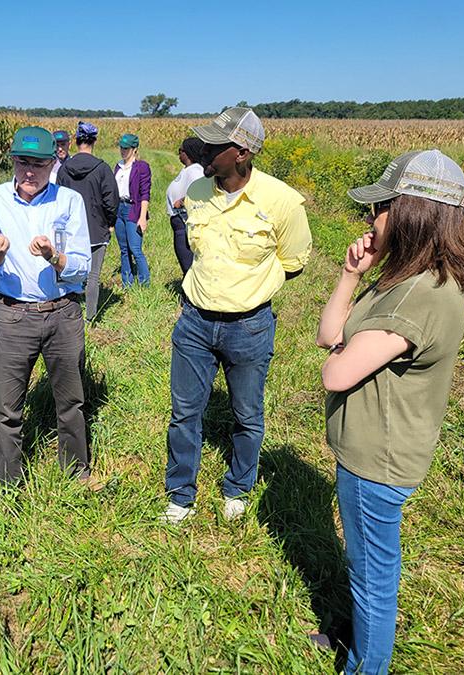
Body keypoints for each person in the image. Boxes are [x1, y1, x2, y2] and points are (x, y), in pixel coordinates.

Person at [317, 150, 464, 674]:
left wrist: (341, 344)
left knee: (373, 578)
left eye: (382, 207)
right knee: (366, 564)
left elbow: (334, 371)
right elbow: (330, 337)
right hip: (376, 453)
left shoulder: (419, 294)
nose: (371, 219)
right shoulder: (410, 277)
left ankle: (366, 666)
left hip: (378, 462)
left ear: (413, 213)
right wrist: (350, 276)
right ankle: (359, 640)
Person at [161, 107, 312, 524]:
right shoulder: (196, 193)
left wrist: (247, 289)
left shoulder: (281, 201)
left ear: (242, 153)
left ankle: (238, 488)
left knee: (247, 414)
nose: (203, 149)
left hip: (249, 326)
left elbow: (294, 261)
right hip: (194, 322)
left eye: (215, 144)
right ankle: (180, 494)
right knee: (184, 412)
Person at [0, 126, 94, 487]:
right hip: (12, 315)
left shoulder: (69, 202)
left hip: (62, 313)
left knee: (71, 402)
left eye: (38, 164)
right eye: (22, 162)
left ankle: (76, 474)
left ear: (53, 163)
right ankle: (8, 483)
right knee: (7, 409)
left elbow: (82, 265)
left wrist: (54, 258)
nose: (29, 172)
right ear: (12, 160)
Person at [57, 121, 119, 322]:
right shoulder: (102, 168)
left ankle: (67, 314)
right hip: (95, 229)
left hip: (68, 231)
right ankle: (90, 318)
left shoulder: (64, 169)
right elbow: (111, 200)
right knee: (93, 277)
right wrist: (110, 223)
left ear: (75, 141)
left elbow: (57, 199)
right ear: (94, 141)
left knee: (67, 274)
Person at [113, 134, 151, 287]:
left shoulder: (141, 167)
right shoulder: (118, 166)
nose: (123, 151)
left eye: (126, 148)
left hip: (132, 208)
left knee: (135, 248)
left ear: (134, 149)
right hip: (119, 208)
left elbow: (145, 194)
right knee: (123, 249)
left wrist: (142, 217)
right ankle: (126, 282)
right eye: (121, 147)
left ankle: (144, 283)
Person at [165, 137, 205, 274]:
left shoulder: (196, 171)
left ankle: (190, 294)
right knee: (185, 263)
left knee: (188, 265)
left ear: (187, 153)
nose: (178, 154)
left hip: (185, 220)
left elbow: (200, 192)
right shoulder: (188, 170)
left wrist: (182, 201)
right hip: (179, 221)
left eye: (180, 150)